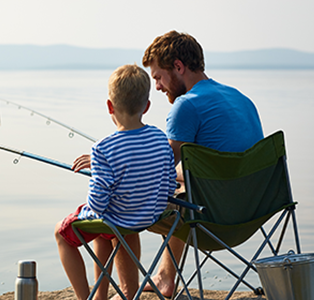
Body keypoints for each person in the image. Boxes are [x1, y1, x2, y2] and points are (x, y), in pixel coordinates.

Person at [140, 30, 265, 298]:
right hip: (255, 210)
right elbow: (235, 164)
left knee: (129, 197)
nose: (158, 87)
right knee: (181, 189)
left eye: (159, 77)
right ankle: (165, 276)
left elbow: (158, 171)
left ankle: (134, 285)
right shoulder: (242, 99)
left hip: (210, 219)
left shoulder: (186, 106)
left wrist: (110, 160)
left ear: (178, 67)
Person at [55, 64, 177, 300]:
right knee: (106, 232)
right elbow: (169, 184)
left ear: (110, 106)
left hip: (118, 220)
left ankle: (84, 298)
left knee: (62, 234)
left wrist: (86, 211)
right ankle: (103, 295)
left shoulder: (103, 149)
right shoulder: (160, 139)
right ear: (147, 106)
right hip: (150, 216)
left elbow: (98, 204)